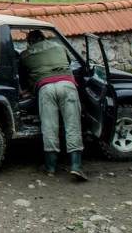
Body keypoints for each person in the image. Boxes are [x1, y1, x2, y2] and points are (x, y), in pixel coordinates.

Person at [20, 29, 86, 181]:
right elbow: (69, 63)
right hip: (67, 85)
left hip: (46, 88)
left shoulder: (25, 55)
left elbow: (23, 76)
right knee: (73, 125)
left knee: (49, 126)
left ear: (30, 42)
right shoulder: (59, 46)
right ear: (44, 38)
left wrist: (27, 90)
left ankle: (50, 167)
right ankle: (76, 166)